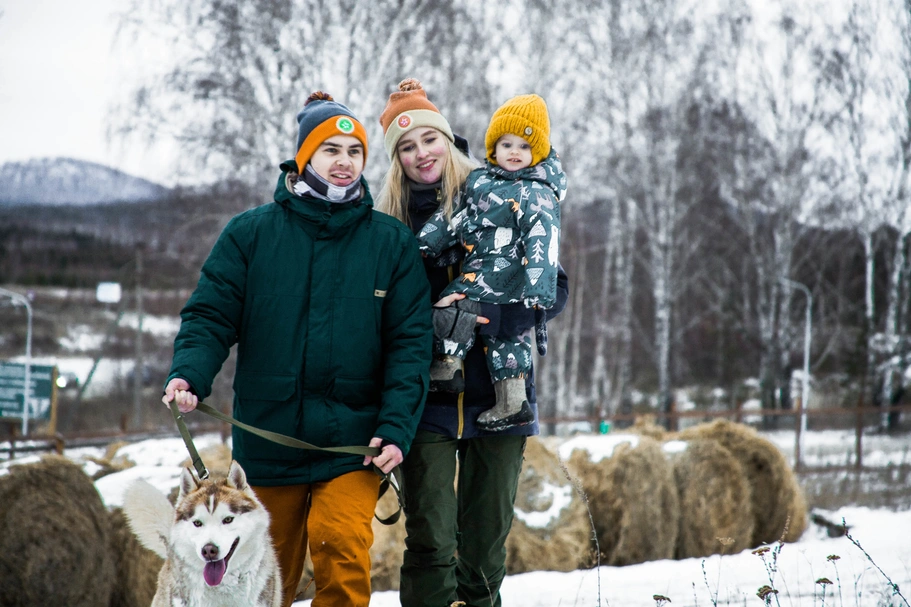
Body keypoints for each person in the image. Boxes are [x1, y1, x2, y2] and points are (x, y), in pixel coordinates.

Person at [161, 91, 432, 607]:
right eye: (331, 150)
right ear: (305, 157)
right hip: (267, 442)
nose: (344, 161)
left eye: (354, 152)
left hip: (352, 443)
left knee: (342, 546)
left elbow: (410, 344)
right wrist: (189, 374)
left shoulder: (390, 243)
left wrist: (396, 426)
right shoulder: (250, 234)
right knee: (263, 574)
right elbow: (211, 315)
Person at [376, 78, 569, 607]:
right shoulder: (388, 222)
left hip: (500, 396)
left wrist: (490, 316)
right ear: (395, 158)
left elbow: (554, 287)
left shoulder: (496, 189)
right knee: (431, 544)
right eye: (407, 146)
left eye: (429, 140)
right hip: (427, 401)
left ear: (448, 139)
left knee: (484, 552)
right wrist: (431, 323)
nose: (422, 154)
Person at [416, 93, 567, 432]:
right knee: (461, 310)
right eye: (506, 144)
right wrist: (426, 242)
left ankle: (508, 398)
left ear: (537, 151)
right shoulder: (479, 183)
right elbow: (455, 216)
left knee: (499, 334)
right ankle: (453, 371)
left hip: (512, 278)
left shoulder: (537, 193)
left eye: (524, 146)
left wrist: (539, 291)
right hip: (481, 270)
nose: (514, 152)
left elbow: (543, 240)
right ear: (493, 148)